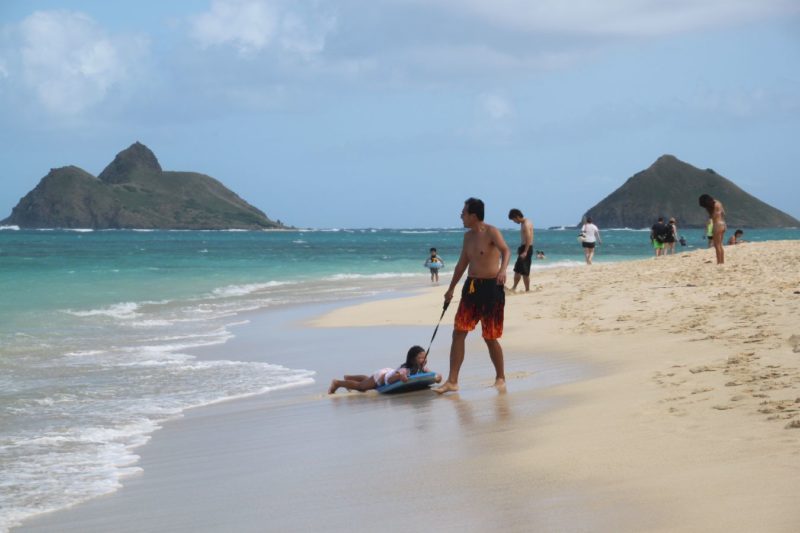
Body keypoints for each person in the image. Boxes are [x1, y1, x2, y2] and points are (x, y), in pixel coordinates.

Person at [435, 197, 510, 394]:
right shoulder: (467, 237)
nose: (461, 215)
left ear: (473, 216)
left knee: (489, 336)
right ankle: (452, 381)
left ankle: (500, 377)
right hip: (471, 288)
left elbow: (506, 250)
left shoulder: (492, 231)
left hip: (492, 288)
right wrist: (451, 289)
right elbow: (462, 264)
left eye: (464, 212)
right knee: (459, 331)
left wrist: (503, 270)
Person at [328, 345, 441, 394]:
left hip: (386, 373)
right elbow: (391, 379)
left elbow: (431, 375)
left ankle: (349, 377)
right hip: (384, 375)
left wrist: (437, 377)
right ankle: (337, 383)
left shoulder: (423, 368)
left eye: (425, 357)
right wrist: (399, 377)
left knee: (370, 382)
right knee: (362, 387)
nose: (424, 360)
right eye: (420, 358)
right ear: (412, 360)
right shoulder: (405, 370)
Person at [507, 208, 533, 292]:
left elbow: (528, 238)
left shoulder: (526, 224)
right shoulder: (524, 222)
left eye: (513, 220)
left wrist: (525, 251)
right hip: (524, 247)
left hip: (527, 249)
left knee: (525, 271)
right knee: (517, 269)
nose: (514, 222)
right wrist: (521, 248)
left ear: (517, 216)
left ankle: (527, 290)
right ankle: (514, 287)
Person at [699, 194, 726, 264]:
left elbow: (711, 217)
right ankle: (722, 262)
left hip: (717, 225)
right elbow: (723, 213)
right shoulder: (719, 203)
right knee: (720, 245)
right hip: (723, 224)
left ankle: (719, 262)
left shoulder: (710, 207)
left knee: (717, 245)